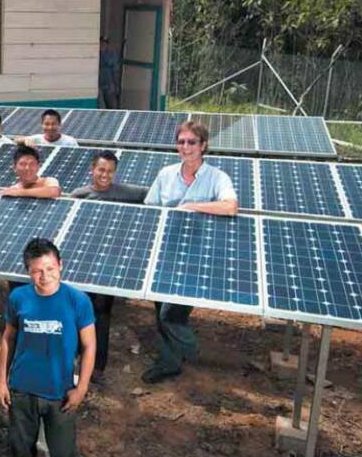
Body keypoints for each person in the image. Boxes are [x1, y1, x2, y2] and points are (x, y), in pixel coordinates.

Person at [0, 238, 98, 457]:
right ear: (28, 271)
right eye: (37, 270)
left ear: (60, 265)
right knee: (21, 444)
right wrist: (2, 380)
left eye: (50, 268)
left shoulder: (77, 300)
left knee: (63, 451)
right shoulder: (19, 299)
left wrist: (82, 388)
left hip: (61, 393)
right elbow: (8, 338)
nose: (45, 275)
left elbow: (89, 346)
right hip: (22, 388)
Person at [142, 121, 239, 384]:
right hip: (166, 251)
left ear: (204, 145)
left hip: (198, 256)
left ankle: (190, 350)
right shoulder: (166, 174)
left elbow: (230, 207)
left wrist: (192, 207)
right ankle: (169, 363)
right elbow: (150, 208)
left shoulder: (217, 177)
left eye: (192, 142)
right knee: (160, 309)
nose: (186, 147)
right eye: (181, 142)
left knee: (171, 314)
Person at [70, 150, 149, 384]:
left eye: (110, 171)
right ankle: (76, 358)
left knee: (102, 316)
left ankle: (97, 366)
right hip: (82, 262)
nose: (105, 175)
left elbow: (152, 195)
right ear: (92, 170)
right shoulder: (79, 195)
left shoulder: (127, 193)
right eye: (101, 170)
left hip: (109, 265)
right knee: (79, 313)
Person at [98, 37, 120, 110]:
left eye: (104, 43)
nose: (102, 45)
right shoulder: (96, 54)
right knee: (101, 106)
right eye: (101, 43)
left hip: (110, 85)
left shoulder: (112, 54)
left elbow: (115, 71)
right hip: (98, 86)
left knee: (112, 106)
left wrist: (116, 85)